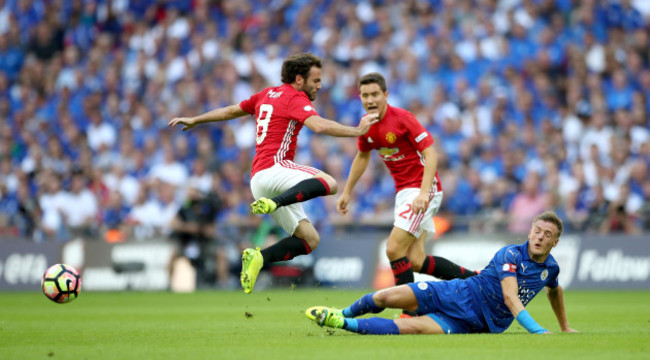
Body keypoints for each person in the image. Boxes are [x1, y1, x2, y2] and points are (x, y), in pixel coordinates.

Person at [169, 53, 378, 293]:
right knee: (329, 182)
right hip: (276, 169)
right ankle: (273, 203)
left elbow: (229, 112)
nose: (319, 86)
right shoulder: (294, 97)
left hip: (258, 180)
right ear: (299, 79)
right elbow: (318, 125)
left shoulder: (265, 94)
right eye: (315, 80)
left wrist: (197, 119)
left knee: (310, 240)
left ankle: (257, 257)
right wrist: (357, 130)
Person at [305, 211, 577, 335]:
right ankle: (343, 312)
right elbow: (510, 297)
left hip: (477, 324)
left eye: (548, 234)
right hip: (458, 294)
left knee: (410, 327)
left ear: (556, 242)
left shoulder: (550, 268)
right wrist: (538, 331)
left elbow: (555, 289)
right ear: (529, 232)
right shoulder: (511, 255)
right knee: (386, 297)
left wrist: (563, 325)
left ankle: (339, 324)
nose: (540, 237)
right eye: (537, 231)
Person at [337, 73, 477, 300]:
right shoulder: (366, 125)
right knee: (415, 260)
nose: (370, 100)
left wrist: (423, 193)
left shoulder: (402, 118)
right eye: (365, 95)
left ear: (386, 95)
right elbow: (362, 156)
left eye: (375, 94)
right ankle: (477, 281)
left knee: (393, 249)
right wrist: (346, 191)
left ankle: (409, 311)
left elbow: (431, 154)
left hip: (422, 188)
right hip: (404, 192)